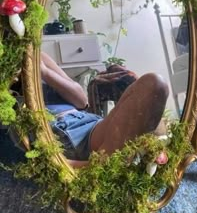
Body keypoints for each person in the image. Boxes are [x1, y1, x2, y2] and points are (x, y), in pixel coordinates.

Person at [40, 52, 169, 168]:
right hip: (64, 130)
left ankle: (113, 161)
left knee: (155, 83)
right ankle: (100, 167)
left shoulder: (37, 56)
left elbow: (81, 101)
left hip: (88, 121)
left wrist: (44, 72)